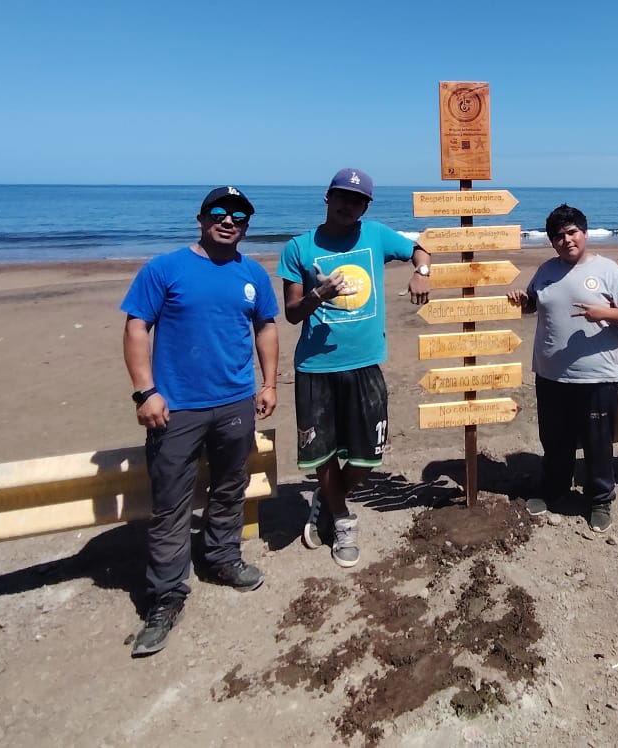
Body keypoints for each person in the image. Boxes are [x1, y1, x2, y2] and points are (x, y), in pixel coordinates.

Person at [120, 186, 280, 658]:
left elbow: (266, 327)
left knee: (231, 487)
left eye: (238, 215)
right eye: (219, 212)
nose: (228, 220)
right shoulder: (165, 268)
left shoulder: (253, 274)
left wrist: (269, 384)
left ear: (246, 225)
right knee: (170, 503)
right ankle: (167, 595)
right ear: (201, 218)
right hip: (177, 407)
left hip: (235, 403)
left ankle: (222, 558)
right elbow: (135, 326)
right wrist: (146, 391)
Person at [278, 168, 431, 568]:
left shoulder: (376, 235)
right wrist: (319, 294)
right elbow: (292, 314)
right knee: (322, 452)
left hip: (365, 364)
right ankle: (342, 518)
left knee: (367, 456)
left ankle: (328, 499)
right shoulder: (299, 247)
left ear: (365, 206)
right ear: (326, 197)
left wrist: (422, 271)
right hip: (315, 366)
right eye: (342, 197)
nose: (349, 205)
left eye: (358, 200)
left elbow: (420, 248)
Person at [508, 204, 618, 534]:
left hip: (597, 377)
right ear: (552, 242)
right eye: (558, 236)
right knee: (555, 440)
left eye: (572, 233)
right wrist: (521, 302)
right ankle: (553, 490)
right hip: (551, 374)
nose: (566, 240)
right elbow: (534, 305)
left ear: (584, 233)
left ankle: (599, 498)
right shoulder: (546, 270)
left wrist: (604, 314)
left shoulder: (608, 270)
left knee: (597, 443)